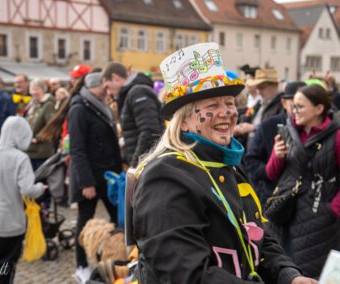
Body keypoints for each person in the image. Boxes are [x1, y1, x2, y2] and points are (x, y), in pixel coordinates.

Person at [130, 42, 317, 284]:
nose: (227, 112)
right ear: (184, 122)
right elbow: (187, 274)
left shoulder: (227, 164)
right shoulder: (165, 177)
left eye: (230, 103)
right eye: (212, 106)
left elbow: (258, 234)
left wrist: (288, 275)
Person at [266, 83, 340, 279]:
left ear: (319, 108)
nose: (294, 111)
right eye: (294, 106)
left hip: (318, 220)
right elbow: (271, 174)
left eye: (300, 106)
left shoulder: (337, 135)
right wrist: (277, 156)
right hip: (283, 213)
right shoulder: (287, 131)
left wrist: (332, 210)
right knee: (282, 270)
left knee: (309, 274)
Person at [0, 116, 46, 284]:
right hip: (10, 223)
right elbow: (28, 190)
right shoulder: (20, 158)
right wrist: (40, 188)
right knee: (5, 271)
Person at [68, 72, 122, 283]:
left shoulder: (102, 105)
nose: (108, 91)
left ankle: (115, 259)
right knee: (84, 223)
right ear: (95, 86)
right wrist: (86, 182)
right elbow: (78, 149)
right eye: (104, 87)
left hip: (108, 176)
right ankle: (81, 265)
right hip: (89, 178)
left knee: (118, 219)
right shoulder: (79, 108)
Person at [245, 81, 306, 204]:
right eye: (295, 104)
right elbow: (251, 161)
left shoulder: (314, 127)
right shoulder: (268, 126)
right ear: (284, 103)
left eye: (304, 105)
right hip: (274, 197)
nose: (298, 110)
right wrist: (270, 172)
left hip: (306, 199)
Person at [101, 62, 164, 167]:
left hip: (147, 165)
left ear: (115, 77)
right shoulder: (131, 93)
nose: (108, 93)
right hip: (146, 163)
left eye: (107, 87)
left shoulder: (137, 92)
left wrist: (135, 165)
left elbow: (150, 131)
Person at [235, 69, 283, 150]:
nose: (259, 91)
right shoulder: (259, 104)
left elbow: (279, 127)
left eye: (262, 87)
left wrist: (254, 128)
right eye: (257, 87)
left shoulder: (281, 105)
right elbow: (247, 117)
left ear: (274, 86)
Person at [25, 78, 56, 170]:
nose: (33, 92)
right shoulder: (34, 104)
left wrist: (38, 138)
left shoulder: (48, 104)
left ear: (43, 90)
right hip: (30, 149)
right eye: (32, 89)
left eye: (36, 89)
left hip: (41, 150)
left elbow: (50, 125)